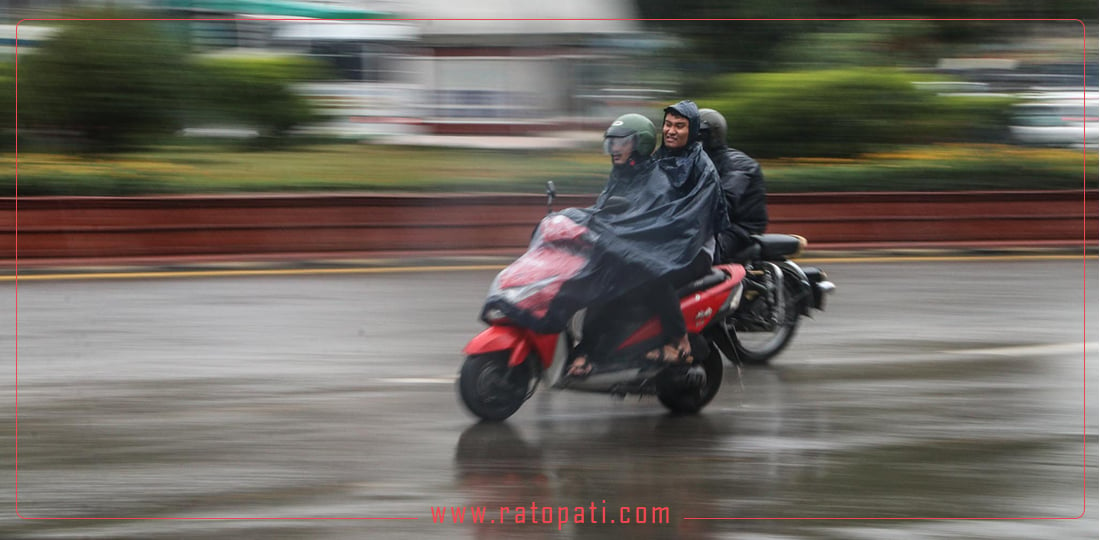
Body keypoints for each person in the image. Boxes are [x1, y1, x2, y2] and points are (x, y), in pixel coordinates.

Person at [566, 109, 726, 376]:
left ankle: (680, 342)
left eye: (680, 126)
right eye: (668, 125)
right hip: (662, 244)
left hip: (691, 247)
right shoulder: (657, 162)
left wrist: (653, 242)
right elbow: (618, 208)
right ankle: (593, 349)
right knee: (603, 277)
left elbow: (691, 215)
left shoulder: (700, 164)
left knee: (651, 273)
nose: (671, 131)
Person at [698, 107, 768, 262]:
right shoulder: (700, 163)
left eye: (699, 135)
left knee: (695, 254)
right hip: (714, 227)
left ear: (714, 135)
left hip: (740, 229)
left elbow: (723, 201)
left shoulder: (738, 165)